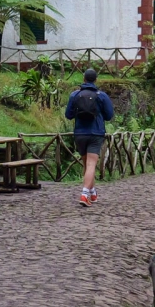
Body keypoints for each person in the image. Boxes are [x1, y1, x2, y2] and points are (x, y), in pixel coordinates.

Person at [65, 68, 115, 207]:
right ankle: (85, 194)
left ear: (84, 79)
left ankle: (92, 192)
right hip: (95, 133)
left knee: (87, 164)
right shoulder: (102, 95)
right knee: (91, 164)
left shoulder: (75, 95)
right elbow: (109, 116)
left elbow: (68, 115)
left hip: (80, 133)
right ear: (96, 80)